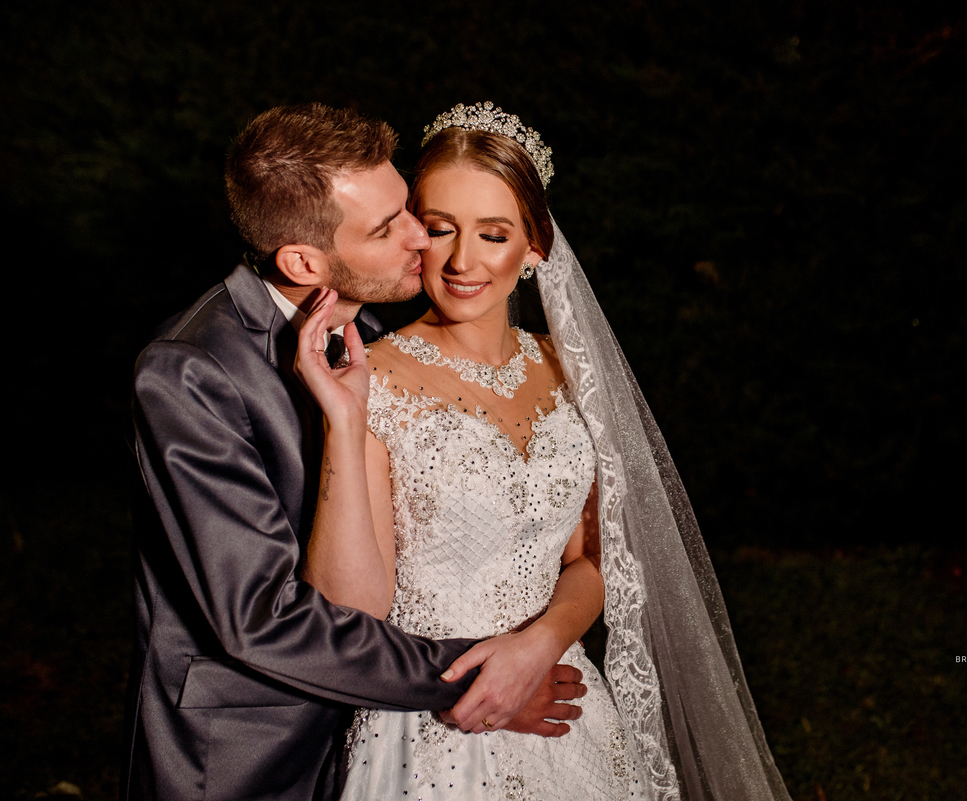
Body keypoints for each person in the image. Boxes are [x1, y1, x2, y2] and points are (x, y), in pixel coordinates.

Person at [295, 102, 793, 800]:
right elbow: (350, 609)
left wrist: (541, 643)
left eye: (493, 234)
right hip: (432, 729)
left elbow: (594, 559)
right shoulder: (370, 375)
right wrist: (345, 424)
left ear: (533, 248)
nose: (463, 260)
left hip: (563, 700)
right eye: (440, 229)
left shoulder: (568, 368)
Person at [127, 103, 587, 801]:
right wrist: (478, 679)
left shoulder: (365, 322)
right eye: (390, 227)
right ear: (303, 260)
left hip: (376, 728)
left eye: (410, 210)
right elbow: (262, 617)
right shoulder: (189, 372)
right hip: (251, 753)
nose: (421, 240)